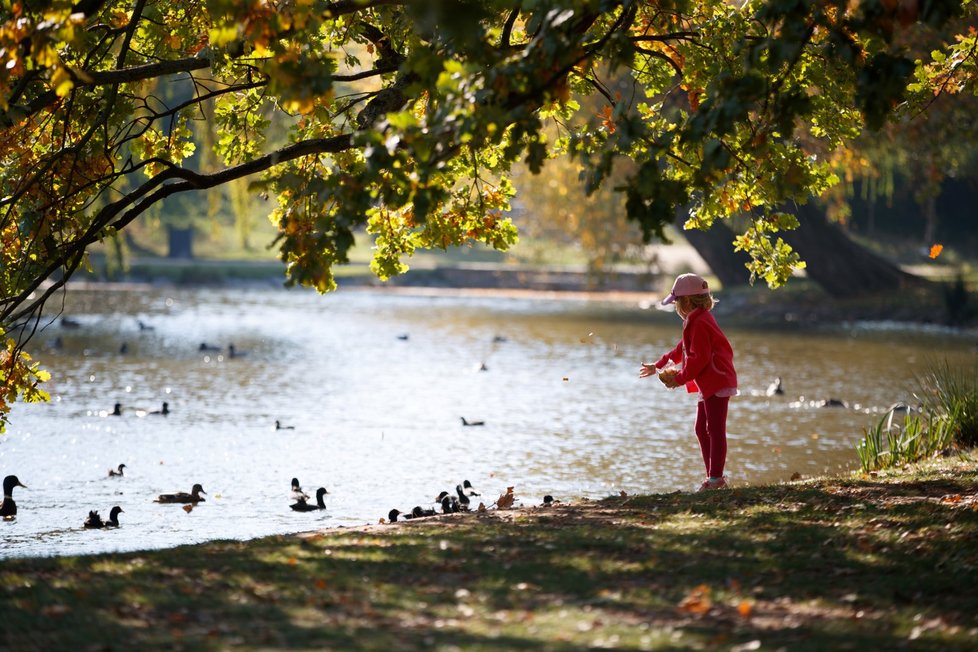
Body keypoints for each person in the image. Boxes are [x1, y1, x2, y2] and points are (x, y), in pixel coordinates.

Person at [639, 273, 738, 491]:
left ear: (686, 301)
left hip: (717, 380)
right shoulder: (695, 321)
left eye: (676, 302)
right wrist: (659, 364)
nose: (675, 307)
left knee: (714, 428)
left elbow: (700, 358)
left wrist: (680, 379)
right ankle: (712, 477)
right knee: (701, 429)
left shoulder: (701, 322)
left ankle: (716, 479)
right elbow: (682, 348)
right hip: (709, 382)